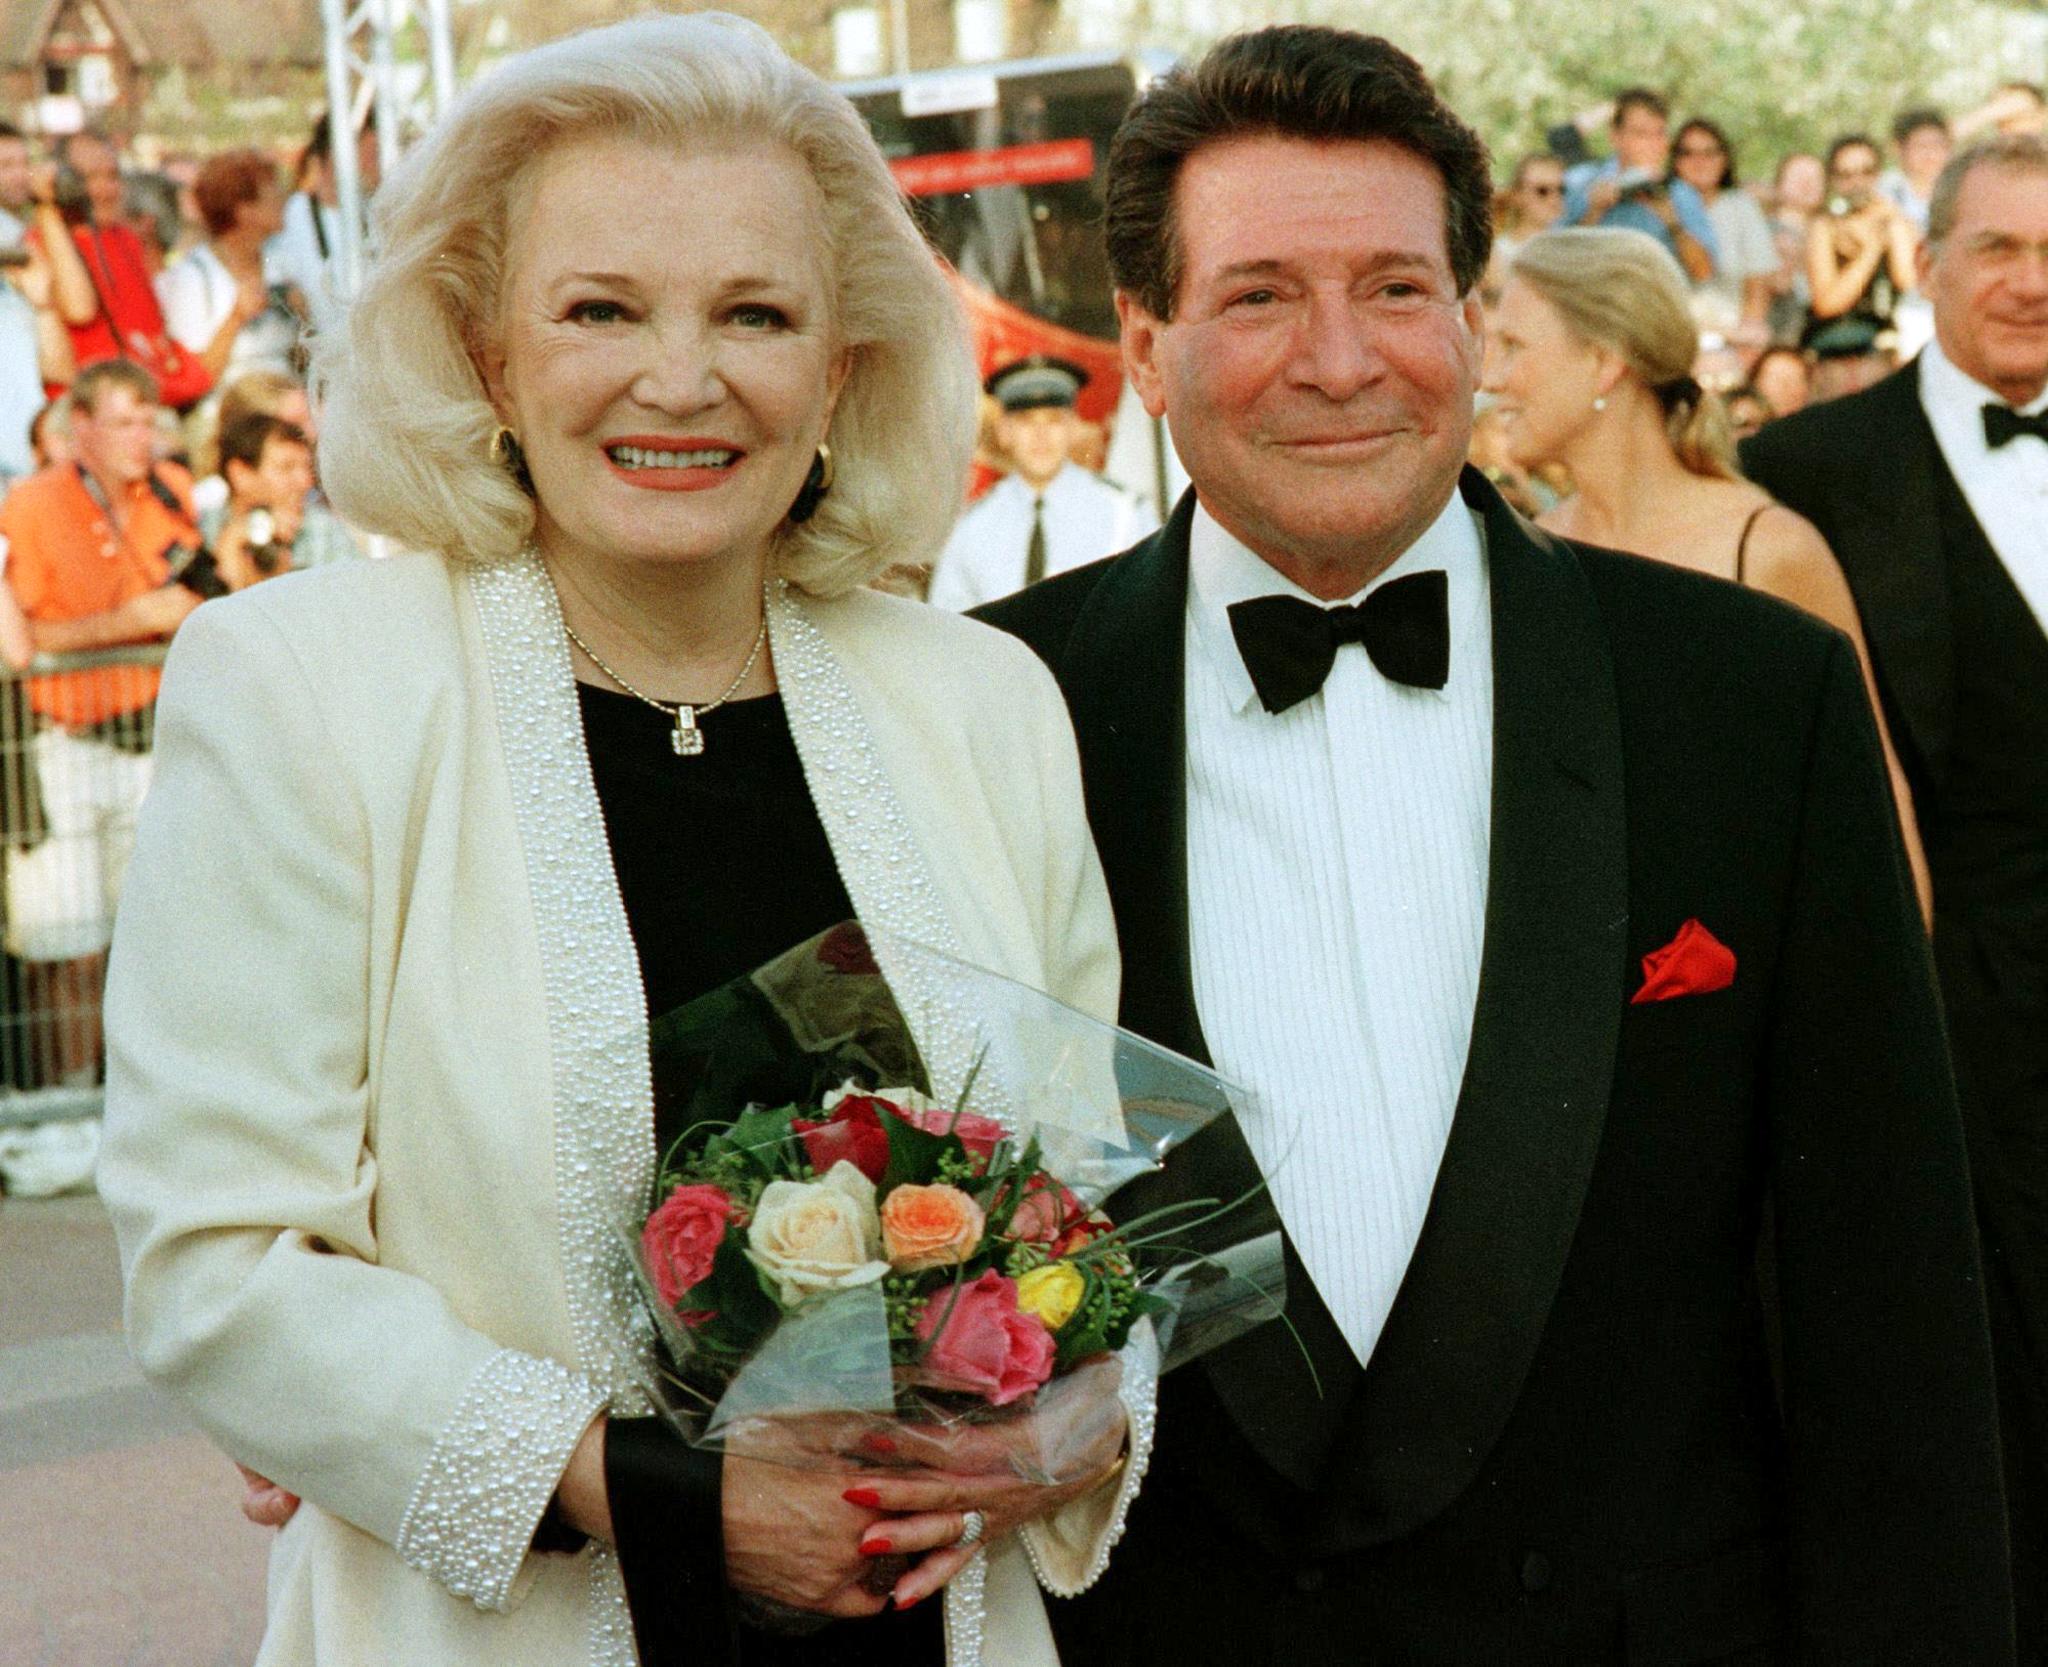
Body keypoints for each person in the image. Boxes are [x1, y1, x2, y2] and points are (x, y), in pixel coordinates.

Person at [97, 15, 1148, 1667]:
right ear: (490, 357)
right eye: (600, 310)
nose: (683, 377)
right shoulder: (302, 689)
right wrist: (656, 1494)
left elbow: (1109, 1203)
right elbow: (220, 1264)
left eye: (756, 314)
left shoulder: (982, 701)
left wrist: (1070, 1417)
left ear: (841, 369)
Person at [983, 25, 2012, 1663]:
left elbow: (1882, 1320)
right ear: (1141, 336)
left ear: (1470, 319)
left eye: (1393, 289)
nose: (1338, 360)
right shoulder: (987, 712)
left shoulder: (1749, 699)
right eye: (1257, 296)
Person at [1742, 131, 2048, 1666]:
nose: (2033, 281)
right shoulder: (1811, 470)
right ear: (1923, 264)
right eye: (1999, 246)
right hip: (1948, 986)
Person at [1487, 225, 1931, 916]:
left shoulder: (1767, 548)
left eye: (1513, 346)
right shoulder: (1531, 553)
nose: (1490, 377)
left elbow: (1877, 803)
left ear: (1604, 360)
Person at [928, 356, 1158, 609]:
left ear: (1072, 427)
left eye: (1053, 420)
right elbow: (952, 621)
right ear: (1004, 431)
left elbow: (1150, 610)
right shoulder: (970, 528)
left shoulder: (1125, 515)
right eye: (1026, 421)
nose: (1041, 435)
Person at [46, 131, 210, 411]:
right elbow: (78, 310)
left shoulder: (126, 239)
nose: (106, 190)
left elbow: (154, 339)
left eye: (112, 176)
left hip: (153, 398)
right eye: (90, 178)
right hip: (97, 409)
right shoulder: (47, 241)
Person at [154, 149, 298, 394]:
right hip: (229, 413)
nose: (284, 200)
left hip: (287, 401)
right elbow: (192, 380)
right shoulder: (193, 278)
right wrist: (236, 319)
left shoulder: (280, 261)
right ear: (244, 211)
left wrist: (301, 314)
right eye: (273, 193)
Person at [1562, 88, 1715, 281]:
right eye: (1641, 134)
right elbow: (1553, 266)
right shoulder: (1580, 181)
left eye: (1659, 133)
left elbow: (1704, 273)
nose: (1653, 144)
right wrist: (1593, 213)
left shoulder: (1680, 193)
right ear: (1615, 137)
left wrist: (1672, 222)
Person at [199, 412, 359, 586]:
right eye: (286, 468)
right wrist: (234, 540)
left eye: (307, 468)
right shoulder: (201, 526)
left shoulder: (323, 531)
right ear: (241, 474)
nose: (305, 482)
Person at [267, 110, 379, 345]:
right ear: (333, 155)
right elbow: (274, 285)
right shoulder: (292, 215)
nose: (372, 164)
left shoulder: (376, 212)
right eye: (367, 154)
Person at [1803, 134, 1917, 364]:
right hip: (1835, 343)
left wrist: (1895, 226)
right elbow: (1827, 303)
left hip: (1891, 343)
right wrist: (1870, 250)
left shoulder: (1895, 220)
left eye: (1866, 172)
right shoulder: (1824, 226)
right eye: (1846, 175)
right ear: (1834, 180)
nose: (1857, 182)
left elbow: (1910, 283)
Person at [1669, 118, 1775, 346]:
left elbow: (1757, 283)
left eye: (1710, 153)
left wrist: (1746, 337)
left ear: (1724, 158)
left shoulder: (1741, 206)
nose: (1700, 162)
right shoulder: (1663, 204)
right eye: (1688, 153)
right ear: (1675, 160)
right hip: (1674, 336)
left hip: (1732, 335)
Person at [1481, 151, 1566, 302]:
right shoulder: (1498, 253)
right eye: (1542, 191)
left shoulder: (1569, 249)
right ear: (1517, 194)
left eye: (1561, 189)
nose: (1555, 198)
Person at [1883, 108, 1953, 234]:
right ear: (1899, 149)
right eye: (1920, 146)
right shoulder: (1886, 190)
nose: (1930, 154)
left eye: (1937, 145)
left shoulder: (1962, 187)